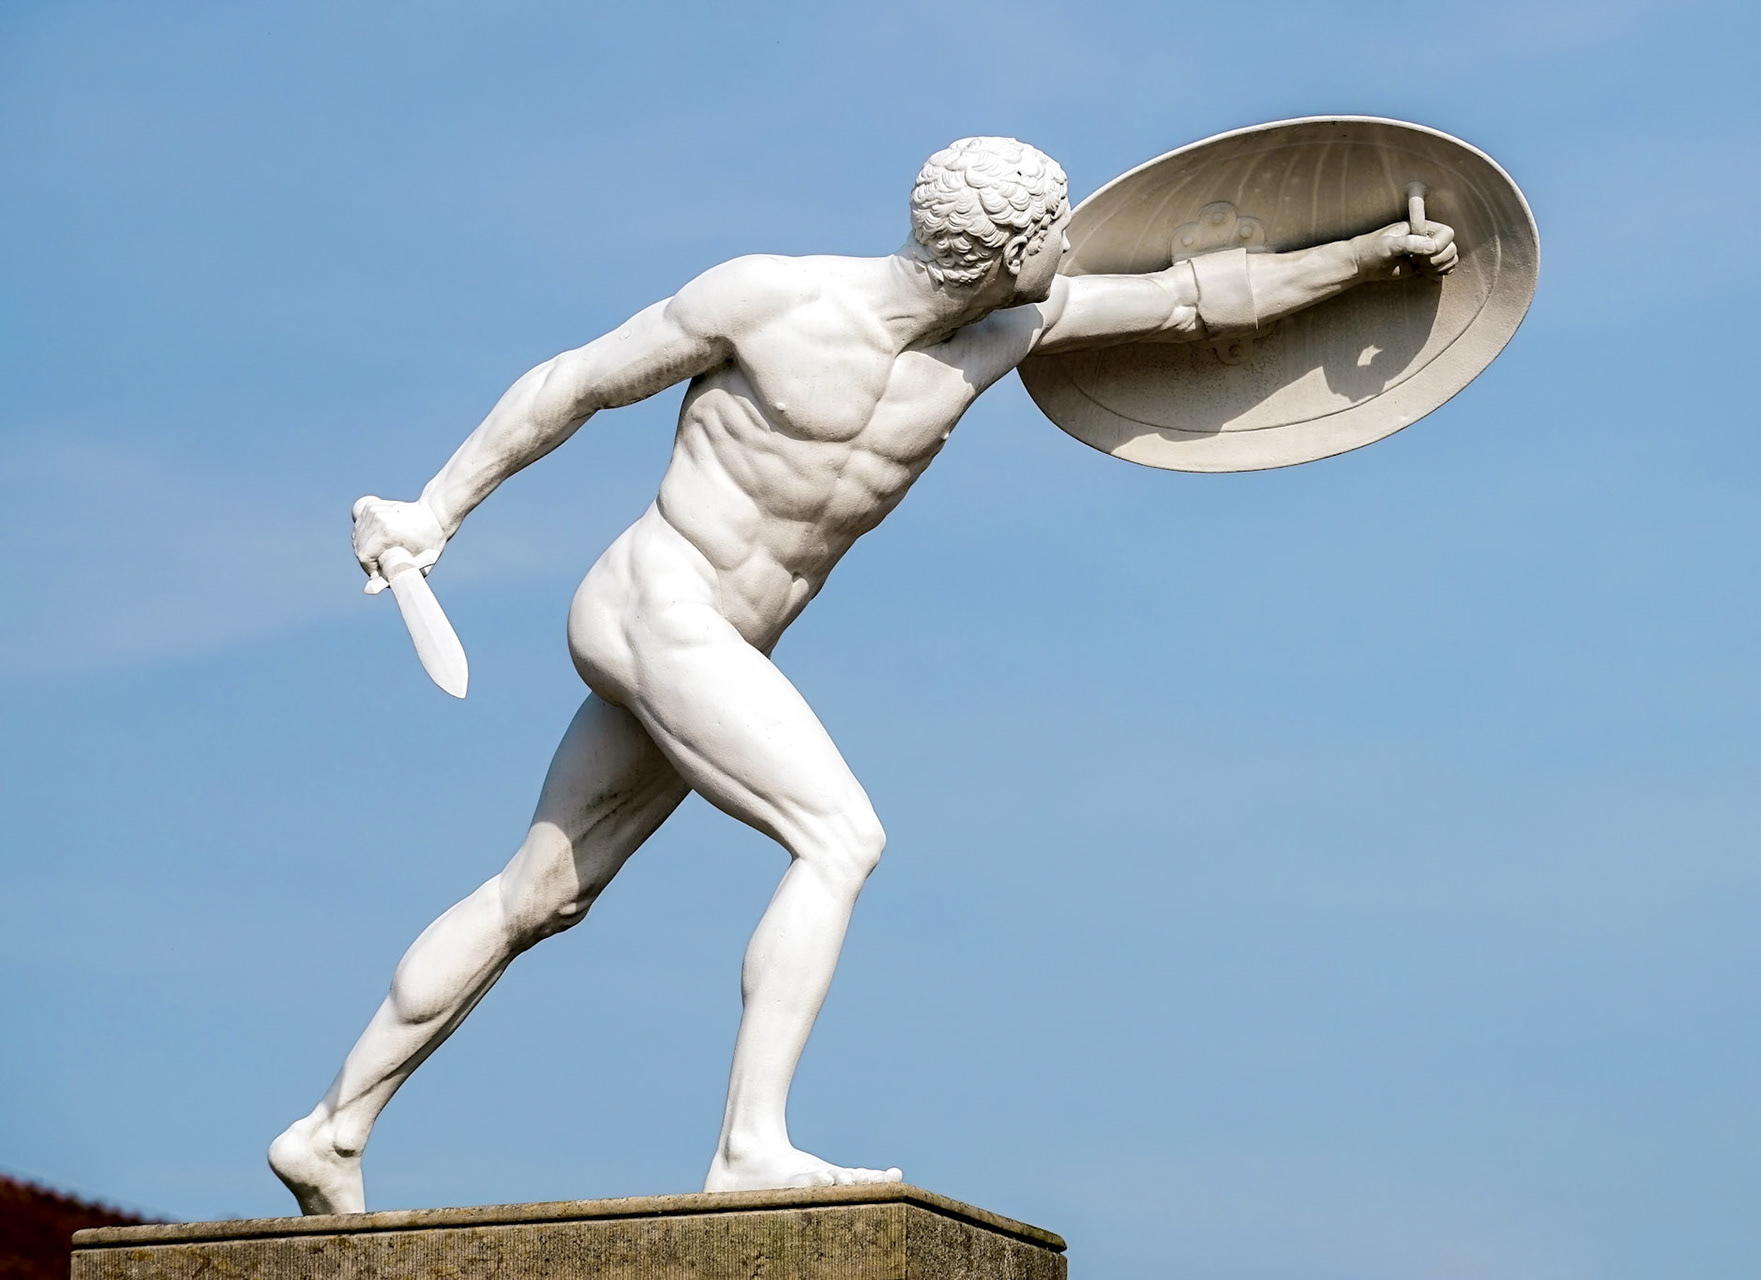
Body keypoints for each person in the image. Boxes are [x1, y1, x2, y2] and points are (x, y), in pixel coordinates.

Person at [268, 136, 1457, 1214]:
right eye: (1054, 232)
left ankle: (330, 1129)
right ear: (1007, 251)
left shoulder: (1000, 336)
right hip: (657, 603)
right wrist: (435, 511)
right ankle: (748, 1145)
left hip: (720, 643)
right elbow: (573, 382)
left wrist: (1373, 258)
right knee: (839, 836)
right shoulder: (770, 298)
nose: (1072, 246)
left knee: (539, 894)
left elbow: (1195, 298)